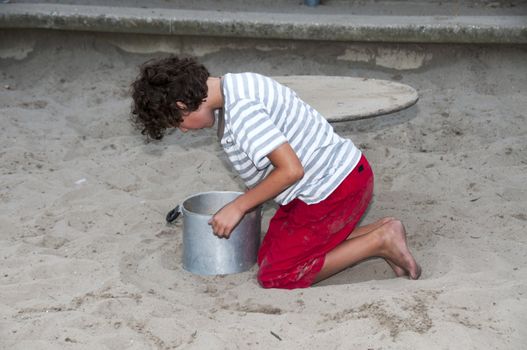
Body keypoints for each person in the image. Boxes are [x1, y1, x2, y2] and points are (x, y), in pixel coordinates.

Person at [130, 56, 421, 289]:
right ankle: (381, 229)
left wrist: (238, 206)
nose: (182, 129)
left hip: (333, 189)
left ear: (182, 105)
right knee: (267, 253)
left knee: (278, 275)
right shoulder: (234, 85)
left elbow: (291, 170)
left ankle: (379, 241)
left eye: (177, 123)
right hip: (329, 182)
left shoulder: (242, 113)